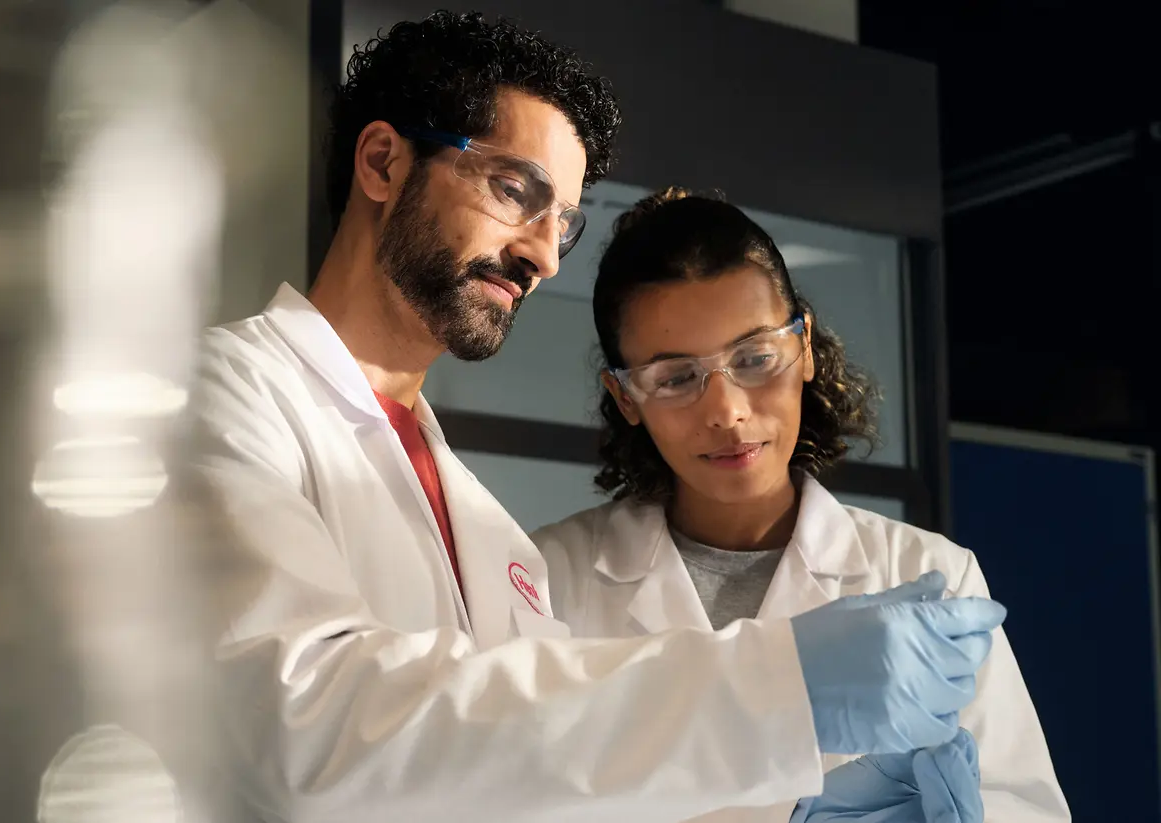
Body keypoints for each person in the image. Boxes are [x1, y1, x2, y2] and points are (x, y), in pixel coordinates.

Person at [185, 11, 1007, 823]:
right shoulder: (222, 396)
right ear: (382, 161)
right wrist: (784, 686)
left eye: (564, 224)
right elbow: (305, 726)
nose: (543, 255)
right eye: (516, 191)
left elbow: (532, 774)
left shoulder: (490, 532)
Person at [531, 187, 1070, 821]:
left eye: (756, 358)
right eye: (676, 378)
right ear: (626, 398)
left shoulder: (928, 576)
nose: (728, 411)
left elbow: (1024, 805)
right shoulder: (548, 580)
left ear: (804, 346)